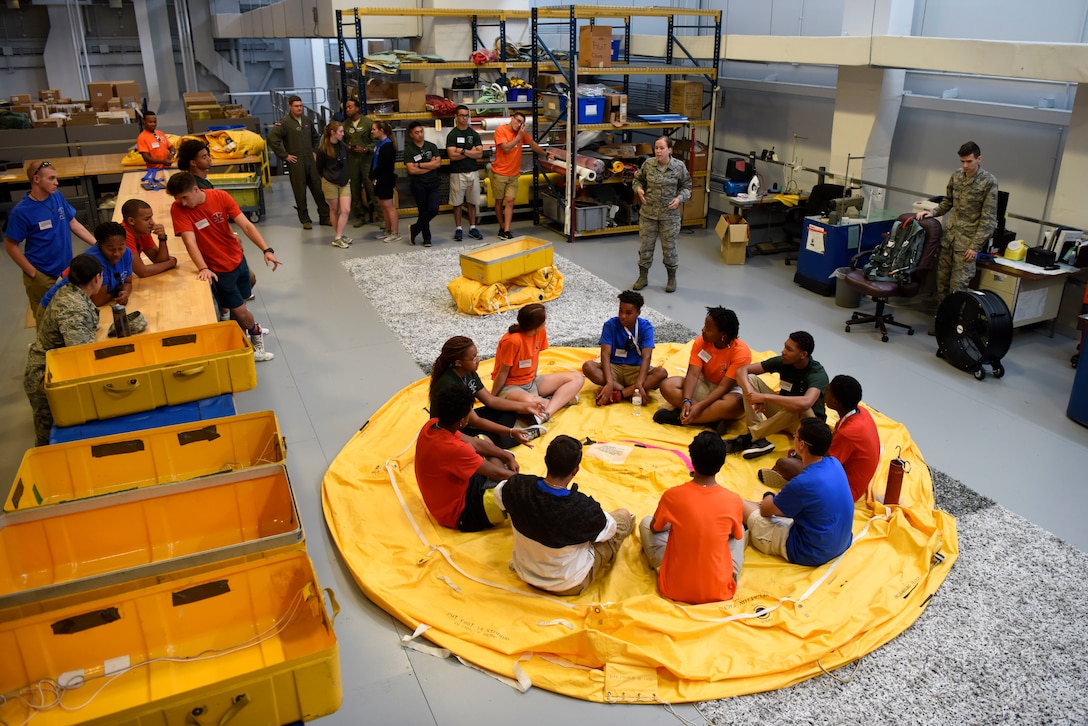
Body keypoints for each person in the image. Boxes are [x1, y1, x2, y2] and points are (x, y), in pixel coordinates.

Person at [494, 435, 634, 596]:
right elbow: (609, 531)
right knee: (623, 515)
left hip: (524, 571)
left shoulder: (517, 487)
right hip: (567, 584)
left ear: (545, 460)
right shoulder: (583, 509)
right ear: (576, 470)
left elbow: (499, 495)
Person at [167, 172, 282, 362]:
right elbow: (190, 241)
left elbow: (246, 226)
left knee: (244, 301)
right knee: (240, 312)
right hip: (218, 269)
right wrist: (203, 267)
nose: (183, 203)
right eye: (178, 199)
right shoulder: (178, 209)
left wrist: (266, 249)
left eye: (185, 197)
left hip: (238, 260)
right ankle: (255, 333)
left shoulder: (220, 196)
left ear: (196, 189)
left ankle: (242, 333)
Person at [640, 432, 746, 604]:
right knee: (740, 531)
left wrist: (676, 523)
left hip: (674, 587)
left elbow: (654, 528)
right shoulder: (734, 500)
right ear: (722, 463)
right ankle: (730, 574)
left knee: (645, 523)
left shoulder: (672, 496)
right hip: (720, 589)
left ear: (692, 461)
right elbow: (734, 535)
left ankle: (663, 568)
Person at [741, 418, 854, 567]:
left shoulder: (802, 483)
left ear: (801, 445)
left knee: (739, 504)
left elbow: (765, 510)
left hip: (807, 552)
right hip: (841, 542)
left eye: (795, 435)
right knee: (777, 505)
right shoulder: (835, 463)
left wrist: (769, 495)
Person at [916, 140, 998, 335]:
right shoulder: (956, 176)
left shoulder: (989, 182)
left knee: (958, 288)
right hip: (949, 239)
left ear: (979, 159)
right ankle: (942, 323)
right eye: (962, 161)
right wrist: (933, 212)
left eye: (969, 161)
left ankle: (955, 329)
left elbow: (988, 220)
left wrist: (976, 246)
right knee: (942, 284)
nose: (965, 166)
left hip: (967, 244)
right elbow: (948, 202)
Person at [759, 375, 881, 503]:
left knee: (783, 464)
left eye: (827, 391)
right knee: (806, 413)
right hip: (849, 475)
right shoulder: (860, 411)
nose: (824, 392)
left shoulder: (848, 434)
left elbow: (824, 466)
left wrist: (798, 455)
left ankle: (795, 483)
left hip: (844, 492)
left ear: (835, 402)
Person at [414, 386, 519, 532]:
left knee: (482, 440)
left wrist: (507, 456)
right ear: (462, 422)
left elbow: (477, 443)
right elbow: (498, 474)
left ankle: (501, 478)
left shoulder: (432, 424)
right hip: (460, 514)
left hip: (459, 489)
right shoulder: (453, 449)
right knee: (516, 495)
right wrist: (531, 485)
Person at [24, 254, 102, 445]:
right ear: (97, 278)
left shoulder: (70, 291)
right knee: (50, 441)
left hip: (51, 369)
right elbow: (81, 355)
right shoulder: (74, 308)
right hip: (45, 379)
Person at [4, 160, 96, 323]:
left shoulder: (56, 197)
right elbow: (11, 246)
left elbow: (72, 222)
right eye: (51, 178)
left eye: (56, 178)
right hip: (42, 274)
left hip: (66, 271)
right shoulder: (21, 212)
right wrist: (34, 274)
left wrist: (97, 245)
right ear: (37, 179)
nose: (57, 183)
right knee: (47, 320)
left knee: (69, 315)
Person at [429, 336, 547, 449]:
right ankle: (505, 439)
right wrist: (510, 432)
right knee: (477, 441)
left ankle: (489, 440)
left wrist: (526, 406)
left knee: (509, 409)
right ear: (458, 363)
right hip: (453, 428)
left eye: (477, 356)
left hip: (466, 420)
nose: (478, 360)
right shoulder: (449, 384)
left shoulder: (468, 372)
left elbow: (490, 400)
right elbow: (476, 421)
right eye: (473, 358)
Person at [727, 331, 829, 460]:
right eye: (785, 346)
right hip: (781, 415)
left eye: (789, 349)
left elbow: (806, 403)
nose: (783, 351)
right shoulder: (784, 361)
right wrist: (752, 394)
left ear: (803, 355)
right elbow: (742, 371)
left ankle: (751, 436)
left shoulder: (817, 373)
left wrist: (764, 397)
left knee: (799, 406)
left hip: (803, 424)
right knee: (751, 379)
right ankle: (760, 439)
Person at [654, 307, 750, 428]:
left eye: (708, 329)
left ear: (723, 335)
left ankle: (681, 418)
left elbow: (723, 387)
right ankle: (710, 419)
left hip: (728, 390)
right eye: (704, 326)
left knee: (734, 404)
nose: (703, 330)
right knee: (667, 385)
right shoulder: (701, 341)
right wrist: (687, 400)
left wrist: (699, 407)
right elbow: (693, 374)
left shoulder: (741, 353)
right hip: (704, 383)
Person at [491, 303, 585, 425]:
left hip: (532, 381)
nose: (545, 322)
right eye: (544, 320)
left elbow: (536, 356)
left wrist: (533, 379)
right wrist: (492, 398)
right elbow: (503, 372)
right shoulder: (512, 341)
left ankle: (545, 412)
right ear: (535, 325)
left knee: (577, 378)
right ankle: (558, 401)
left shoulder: (541, 331)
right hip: (511, 386)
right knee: (532, 403)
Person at [582, 289, 667, 405]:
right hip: (614, 368)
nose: (623, 316)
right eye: (620, 311)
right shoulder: (610, 325)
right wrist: (609, 383)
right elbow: (605, 355)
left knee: (661, 373)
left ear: (638, 313)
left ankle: (621, 394)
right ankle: (627, 391)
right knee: (588, 367)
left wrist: (639, 383)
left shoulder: (646, 327)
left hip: (635, 369)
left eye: (628, 313)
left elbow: (646, 358)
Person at [632, 136, 691, 293]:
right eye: (656, 148)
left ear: (669, 150)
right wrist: (638, 190)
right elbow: (637, 180)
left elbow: (687, 188)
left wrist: (679, 199)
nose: (658, 151)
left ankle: (671, 278)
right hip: (648, 214)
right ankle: (642, 277)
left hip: (669, 217)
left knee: (669, 249)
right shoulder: (648, 164)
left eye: (662, 148)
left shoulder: (679, 167)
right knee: (645, 248)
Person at [267, 95, 330, 230]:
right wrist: (285, 156)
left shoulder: (307, 120)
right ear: (290, 107)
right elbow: (272, 139)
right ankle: (305, 220)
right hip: (296, 162)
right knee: (300, 191)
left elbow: (315, 136)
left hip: (310, 161)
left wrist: (314, 151)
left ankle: (325, 216)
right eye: (296, 106)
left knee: (318, 189)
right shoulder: (283, 123)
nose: (299, 108)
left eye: (301, 106)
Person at [39, 221, 132, 311]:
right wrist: (117, 293)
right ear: (100, 245)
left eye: (121, 248)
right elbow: (99, 300)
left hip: (82, 306)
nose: (117, 253)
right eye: (111, 249)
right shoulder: (94, 262)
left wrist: (125, 293)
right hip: (55, 308)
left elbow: (127, 282)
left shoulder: (126, 253)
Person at [490, 112, 547, 240]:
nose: (519, 124)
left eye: (522, 122)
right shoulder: (501, 130)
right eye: (517, 121)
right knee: (499, 201)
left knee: (510, 201)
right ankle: (501, 226)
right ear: (512, 119)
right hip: (500, 173)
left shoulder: (521, 134)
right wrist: (519, 137)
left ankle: (506, 230)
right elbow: (506, 148)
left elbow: (532, 144)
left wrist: (546, 154)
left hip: (514, 174)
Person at [445, 105, 484, 241]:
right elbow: (452, 156)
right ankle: (459, 228)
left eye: (466, 115)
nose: (464, 118)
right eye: (462, 115)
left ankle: (472, 227)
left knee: (472, 201)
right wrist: (470, 152)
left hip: (472, 172)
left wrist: (462, 151)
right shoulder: (452, 135)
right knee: (457, 202)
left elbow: (479, 154)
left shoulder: (473, 134)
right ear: (456, 117)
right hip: (457, 173)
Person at [404, 120, 442, 247]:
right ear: (411, 134)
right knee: (423, 210)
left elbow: (438, 164)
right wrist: (430, 165)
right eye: (417, 132)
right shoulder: (409, 150)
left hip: (433, 183)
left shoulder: (431, 146)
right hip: (418, 185)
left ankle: (415, 228)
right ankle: (427, 238)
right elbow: (411, 170)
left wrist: (420, 165)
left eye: (421, 132)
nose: (420, 134)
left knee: (433, 209)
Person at [120, 198, 178, 277]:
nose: (152, 222)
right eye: (147, 219)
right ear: (131, 221)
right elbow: (143, 272)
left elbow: (159, 261)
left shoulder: (142, 231)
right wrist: (171, 262)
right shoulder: (123, 236)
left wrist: (162, 238)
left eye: (151, 217)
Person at [317, 120, 352, 248]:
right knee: (334, 209)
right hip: (330, 182)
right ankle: (339, 235)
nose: (343, 134)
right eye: (341, 131)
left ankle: (338, 236)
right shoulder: (323, 150)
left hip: (344, 181)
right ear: (333, 133)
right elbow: (319, 167)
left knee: (346, 209)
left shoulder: (343, 146)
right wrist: (326, 177)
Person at [342, 98, 377, 227]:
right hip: (352, 161)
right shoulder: (344, 125)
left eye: (350, 107)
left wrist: (365, 149)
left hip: (367, 161)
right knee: (354, 189)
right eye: (346, 107)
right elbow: (341, 142)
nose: (347, 110)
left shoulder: (368, 123)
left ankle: (381, 216)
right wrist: (348, 147)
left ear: (357, 108)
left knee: (371, 188)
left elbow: (375, 141)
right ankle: (359, 217)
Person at [369, 120, 401, 243]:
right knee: (383, 205)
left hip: (385, 179)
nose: (372, 131)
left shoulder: (388, 146)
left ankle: (395, 232)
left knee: (389, 206)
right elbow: (375, 161)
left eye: (374, 129)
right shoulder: (379, 144)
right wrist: (371, 175)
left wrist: (373, 175)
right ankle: (387, 230)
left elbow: (383, 166)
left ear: (381, 131)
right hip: (378, 178)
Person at [136, 111, 174, 175]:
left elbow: (171, 147)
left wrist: (172, 154)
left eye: (154, 122)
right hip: (154, 171)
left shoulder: (160, 133)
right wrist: (163, 162)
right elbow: (146, 158)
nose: (153, 124)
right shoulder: (142, 138)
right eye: (150, 122)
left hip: (168, 168)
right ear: (144, 122)